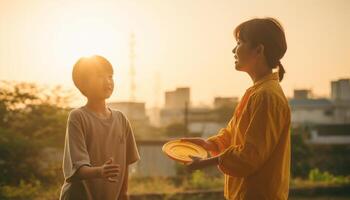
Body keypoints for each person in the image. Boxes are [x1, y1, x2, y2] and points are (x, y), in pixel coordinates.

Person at [182, 17, 291, 200]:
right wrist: (211, 145)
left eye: (239, 43)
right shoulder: (257, 92)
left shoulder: (266, 96)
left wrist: (206, 162)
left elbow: (250, 155)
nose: (234, 50)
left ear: (259, 50)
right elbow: (234, 134)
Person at [59, 55, 140, 200]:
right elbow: (78, 169)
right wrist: (100, 171)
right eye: (99, 76)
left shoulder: (121, 119)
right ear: (83, 84)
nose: (107, 81)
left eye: (110, 76)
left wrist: (124, 193)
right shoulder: (78, 117)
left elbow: (126, 162)